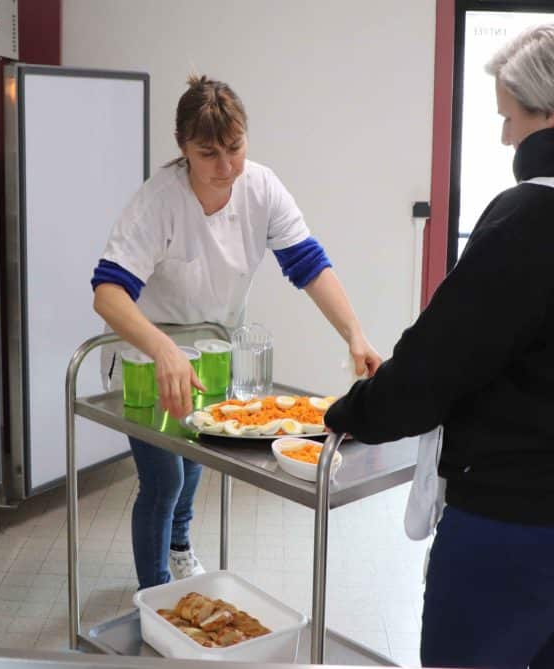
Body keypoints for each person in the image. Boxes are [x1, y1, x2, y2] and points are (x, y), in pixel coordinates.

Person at [324, 23, 554, 669]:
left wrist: (349, 413)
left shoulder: (539, 212)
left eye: (509, 117)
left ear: (550, 115)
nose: (503, 136)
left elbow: (437, 364)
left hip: (518, 526)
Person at [91, 74, 381, 588]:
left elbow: (308, 264)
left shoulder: (262, 188)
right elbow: (108, 293)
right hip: (147, 351)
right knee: (163, 479)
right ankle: (155, 595)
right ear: (182, 148)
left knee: (201, 453)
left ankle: (180, 547)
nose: (226, 167)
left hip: (210, 349)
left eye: (235, 149)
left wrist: (353, 334)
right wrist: (162, 349)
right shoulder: (158, 201)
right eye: (208, 154)